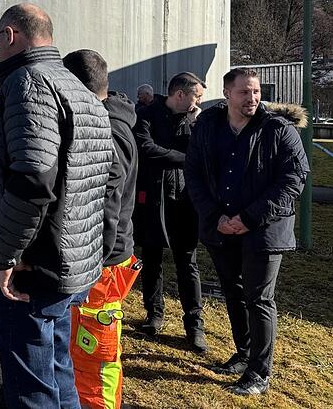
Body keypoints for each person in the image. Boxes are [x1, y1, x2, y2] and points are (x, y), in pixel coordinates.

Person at [0, 4, 114, 408]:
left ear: (11, 36)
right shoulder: (76, 86)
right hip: (69, 261)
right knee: (57, 368)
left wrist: (8, 255)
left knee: (31, 385)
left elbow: (33, 178)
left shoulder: (28, 81)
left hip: (34, 267)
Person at [185, 68, 309, 396]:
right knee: (233, 292)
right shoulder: (208, 126)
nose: (252, 98)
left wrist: (248, 218)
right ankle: (243, 354)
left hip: (264, 230)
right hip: (221, 226)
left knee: (259, 298)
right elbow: (193, 172)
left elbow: (294, 179)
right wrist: (216, 216)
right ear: (227, 93)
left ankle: (259, 372)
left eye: (255, 92)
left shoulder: (277, 129)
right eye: (244, 92)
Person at [63, 49, 141, 409]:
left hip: (102, 265)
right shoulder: (110, 121)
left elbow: (107, 202)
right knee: (82, 350)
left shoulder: (106, 129)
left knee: (96, 356)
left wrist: (93, 259)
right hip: (100, 260)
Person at [132, 72, 208, 353]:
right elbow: (146, 148)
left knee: (188, 263)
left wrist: (198, 124)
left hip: (185, 200)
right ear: (179, 94)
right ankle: (154, 313)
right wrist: (185, 160)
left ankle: (194, 325)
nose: (198, 101)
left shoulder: (197, 120)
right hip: (153, 199)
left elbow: (205, 152)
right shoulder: (148, 115)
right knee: (152, 259)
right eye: (196, 96)